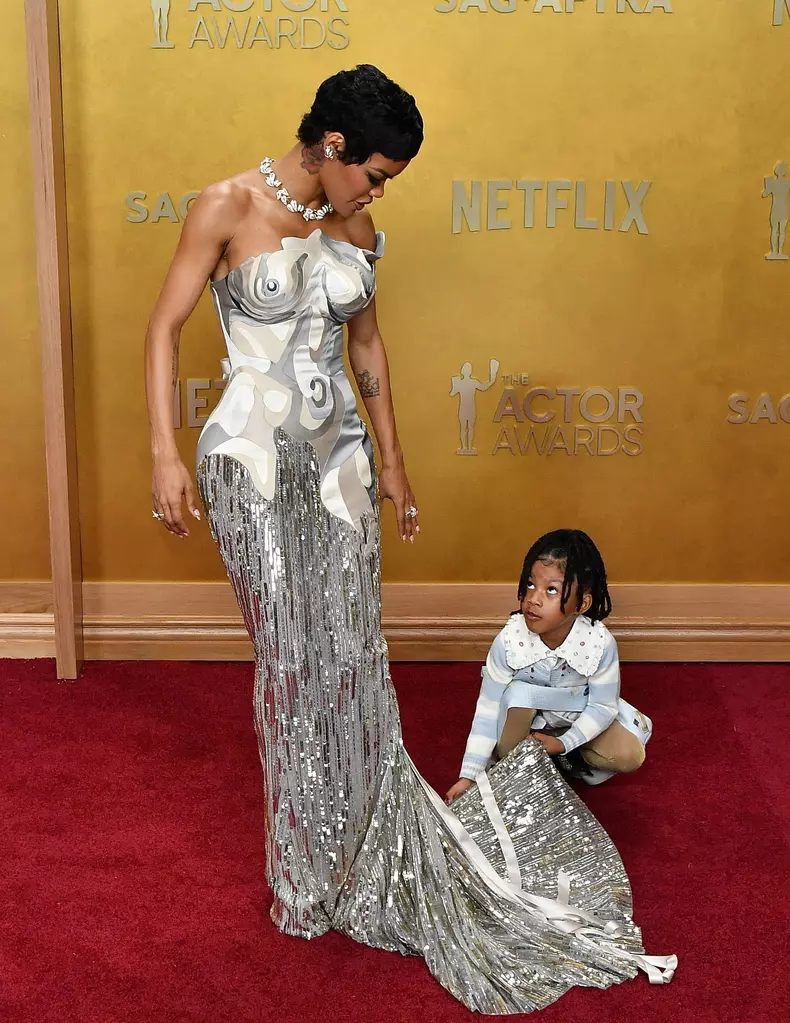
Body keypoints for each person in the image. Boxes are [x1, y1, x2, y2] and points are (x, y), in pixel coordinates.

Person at [144, 66, 674, 1013]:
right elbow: (163, 326)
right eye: (376, 173)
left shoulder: (356, 228)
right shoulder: (223, 207)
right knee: (293, 661)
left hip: (342, 467)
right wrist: (161, 451)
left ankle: (364, 842)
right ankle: (306, 870)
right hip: (250, 466)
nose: (380, 193)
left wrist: (392, 460)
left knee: (352, 658)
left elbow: (367, 349)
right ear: (333, 148)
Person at [446, 529, 653, 805]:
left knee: (630, 754)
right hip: (525, 725)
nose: (534, 598)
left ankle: (567, 758)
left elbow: (603, 706)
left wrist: (565, 743)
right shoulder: (509, 640)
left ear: (582, 603)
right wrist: (469, 775)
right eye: (531, 585)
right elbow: (488, 706)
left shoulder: (599, 644)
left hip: (575, 719)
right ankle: (528, 760)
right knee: (517, 698)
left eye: (551, 590)